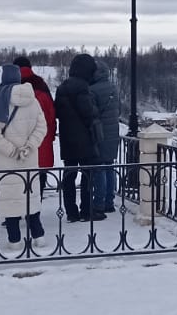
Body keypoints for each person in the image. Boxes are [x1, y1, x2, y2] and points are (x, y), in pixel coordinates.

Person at [0, 64, 47, 249]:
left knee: (10, 199)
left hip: (6, 160)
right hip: (29, 158)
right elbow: (41, 127)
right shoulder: (33, 100)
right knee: (30, 196)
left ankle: (15, 240)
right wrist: (29, 146)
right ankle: (39, 236)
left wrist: (10, 149)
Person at [53, 54, 103, 222]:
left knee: (69, 175)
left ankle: (71, 212)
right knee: (87, 175)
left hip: (67, 139)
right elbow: (88, 112)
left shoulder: (61, 88)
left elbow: (57, 112)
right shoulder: (82, 87)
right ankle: (86, 211)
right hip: (85, 140)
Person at [89, 59, 122, 214]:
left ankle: (99, 203)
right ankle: (110, 202)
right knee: (109, 167)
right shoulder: (113, 88)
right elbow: (119, 111)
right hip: (113, 133)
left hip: (99, 133)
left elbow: (91, 114)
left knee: (99, 169)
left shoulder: (92, 90)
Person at [15, 57, 56, 178]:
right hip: (41, 141)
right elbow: (51, 115)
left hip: (18, 145)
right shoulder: (42, 86)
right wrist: (51, 135)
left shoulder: (10, 87)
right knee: (40, 179)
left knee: (20, 182)